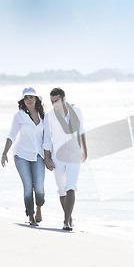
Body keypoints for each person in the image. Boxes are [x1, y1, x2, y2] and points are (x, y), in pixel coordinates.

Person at [43, 87, 87, 231]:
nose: (54, 103)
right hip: (58, 157)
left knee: (71, 187)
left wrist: (85, 150)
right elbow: (47, 139)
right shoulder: (49, 116)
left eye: (56, 101)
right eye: (52, 101)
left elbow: (81, 131)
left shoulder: (77, 111)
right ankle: (69, 217)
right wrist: (47, 158)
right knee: (62, 190)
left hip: (73, 155)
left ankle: (66, 221)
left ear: (64, 99)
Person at [1, 87, 46, 226]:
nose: (29, 100)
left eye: (31, 97)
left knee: (39, 187)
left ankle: (39, 208)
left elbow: (49, 138)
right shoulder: (19, 115)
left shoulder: (44, 115)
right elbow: (12, 135)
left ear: (36, 99)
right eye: (26, 97)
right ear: (23, 100)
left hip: (39, 155)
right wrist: (4, 153)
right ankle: (31, 216)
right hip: (21, 155)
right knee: (28, 187)